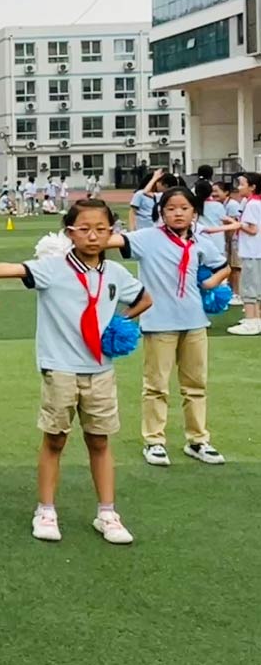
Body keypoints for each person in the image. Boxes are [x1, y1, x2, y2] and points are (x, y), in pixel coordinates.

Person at [0, 200, 151, 545]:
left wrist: (120, 324)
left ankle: (107, 512)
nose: (93, 236)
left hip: (100, 368)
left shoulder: (115, 274)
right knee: (55, 438)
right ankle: (46, 509)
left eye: (101, 229)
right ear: (69, 232)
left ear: (112, 232)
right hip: (60, 368)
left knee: (99, 439)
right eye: (84, 228)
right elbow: (13, 269)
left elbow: (144, 298)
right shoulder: (52, 269)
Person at [106, 187, 230, 465]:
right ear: (161, 212)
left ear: (194, 212)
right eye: (171, 208)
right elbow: (112, 241)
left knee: (196, 384)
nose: (177, 213)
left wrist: (212, 281)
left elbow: (223, 266)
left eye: (184, 208)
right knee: (156, 385)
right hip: (158, 323)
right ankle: (154, 440)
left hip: (195, 321)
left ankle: (198, 440)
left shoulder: (200, 242)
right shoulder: (147, 238)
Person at [205, 172, 261, 335]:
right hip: (255, 250)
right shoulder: (255, 203)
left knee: (249, 286)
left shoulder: (251, 205)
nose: (238, 187)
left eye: (242, 184)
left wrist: (235, 223)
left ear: (252, 187)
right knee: (255, 286)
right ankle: (255, 318)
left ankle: (251, 321)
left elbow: (252, 229)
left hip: (252, 251)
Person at [212, 180, 242, 305]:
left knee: (235, 267)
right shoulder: (219, 205)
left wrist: (228, 240)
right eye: (212, 191)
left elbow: (233, 225)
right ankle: (231, 291)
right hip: (227, 239)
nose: (213, 194)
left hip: (234, 239)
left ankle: (237, 293)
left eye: (216, 191)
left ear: (226, 192)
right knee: (228, 266)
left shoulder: (232, 205)